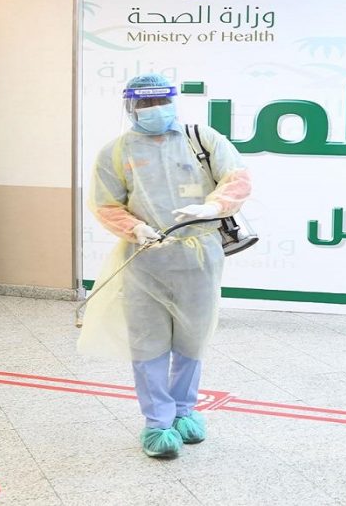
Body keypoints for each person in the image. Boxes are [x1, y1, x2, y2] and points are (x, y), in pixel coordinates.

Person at [81, 73, 251, 458]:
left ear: (173, 102)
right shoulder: (115, 152)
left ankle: (184, 412)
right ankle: (157, 422)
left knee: (193, 340)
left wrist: (212, 207)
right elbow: (106, 203)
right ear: (131, 107)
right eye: (145, 104)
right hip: (146, 261)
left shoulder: (201, 139)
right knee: (149, 344)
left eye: (161, 101)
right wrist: (135, 228)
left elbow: (237, 179)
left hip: (198, 256)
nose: (154, 110)